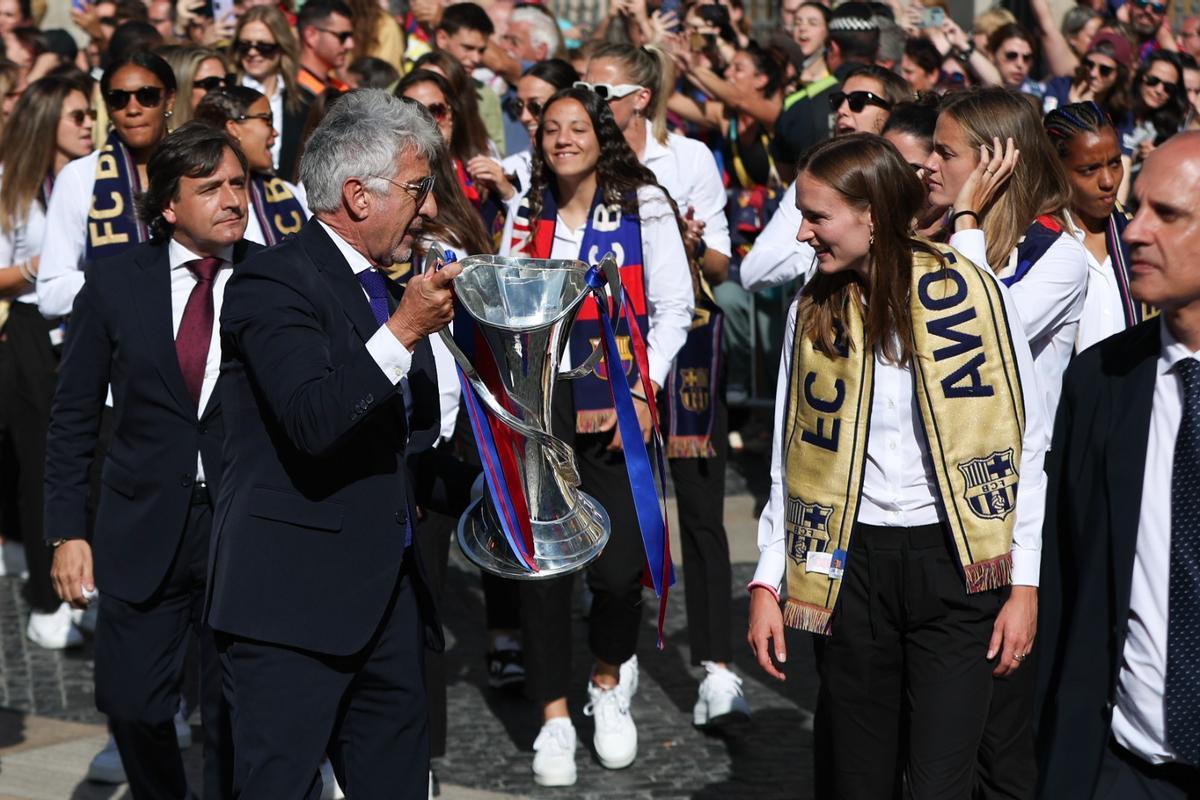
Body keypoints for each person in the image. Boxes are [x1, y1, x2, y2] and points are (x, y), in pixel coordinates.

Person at [747, 132, 1046, 799]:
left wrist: (1023, 584)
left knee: (942, 782)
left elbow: (1024, 447)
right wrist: (769, 580)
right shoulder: (811, 310)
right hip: (850, 572)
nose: (801, 233)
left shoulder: (973, 295)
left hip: (956, 567)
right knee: (859, 779)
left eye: (816, 216)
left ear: (872, 215)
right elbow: (786, 459)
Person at [206, 89, 454, 799]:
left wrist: (501, 490)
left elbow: (401, 439)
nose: (430, 207)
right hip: (289, 609)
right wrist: (404, 330)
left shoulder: (387, 286)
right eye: (417, 189)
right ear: (358, 195)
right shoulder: (272, 280)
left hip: (386, 600)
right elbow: (316, 419)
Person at [44, 121, 258, 800]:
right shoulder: (114, 285)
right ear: (169, 204)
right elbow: (73, 416)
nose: (232, 199)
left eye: (238, 183)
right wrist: (67, 531)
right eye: (211, 187)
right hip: (140, 525)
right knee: (133, 702)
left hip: (241, 525)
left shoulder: (274, 278)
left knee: (234, 710)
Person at [499, 85, 693, 786]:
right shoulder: (525, 213)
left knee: (618, 572)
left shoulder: (644, 206)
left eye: (576, 127)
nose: (561, 140)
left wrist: (644, 385)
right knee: (545, 569)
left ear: (600, 133)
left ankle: (607, 682)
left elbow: (675, 308)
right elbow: (505, 304)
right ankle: (553, 717)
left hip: (618, 406)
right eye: (550, 129)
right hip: (542, 412)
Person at [923, 87, 1087, 799]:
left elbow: (976, 343)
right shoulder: (926, 237)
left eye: (945, 152)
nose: (927, 164)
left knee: (1000, 741)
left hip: (1006, 516)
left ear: (996, 163)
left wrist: (962, 224)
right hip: (928, 518)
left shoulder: (1062, 260)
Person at [584, 40, 746, 728]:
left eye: (603, 92)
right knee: (621, 511)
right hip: (612, 356)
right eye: (583, 90)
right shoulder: (578, 158)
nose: (590, 104)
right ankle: (611, 665)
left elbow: (722, 262)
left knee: (702, 506)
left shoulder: (689, 159)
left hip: (687, 347)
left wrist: (684, 241)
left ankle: (716, 665)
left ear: (640, 97)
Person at [1036, 130, 1200, 800]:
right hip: (1122, 766)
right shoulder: (1099, 382)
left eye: (1170, 215)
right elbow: (1067, 574)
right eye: (1139, 209)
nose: (1135, 232)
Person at [0, 75, 93, 650]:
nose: (88, 124)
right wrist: (42, 265)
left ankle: (87, 584)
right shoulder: (13, 185)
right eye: (76, 115)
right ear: (46, 121)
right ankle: (47, 596)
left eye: (90, 115)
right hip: (33, 328)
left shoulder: (95, 180)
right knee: (42, 464)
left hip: (86, 327)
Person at [37, 50, 176, 319]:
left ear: (169, 98)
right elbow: (51, 294)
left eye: (146, 96)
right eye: (118, 99)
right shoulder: (79, 177)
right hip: (114, 347)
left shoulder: (199, 167)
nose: (133, 109)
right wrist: (132, 280)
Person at [1045, 101, 1154, 352]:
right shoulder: (1034, 243)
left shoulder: (1138, 238)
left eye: (1115, 163)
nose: (1108, 181)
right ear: (1057, 169)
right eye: (1089, 169)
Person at [193, 86, 310, 246]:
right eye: (266, 119)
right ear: (233, 128)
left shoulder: (288, 194)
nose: (275, 132)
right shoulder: (197, 204)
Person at [771, 2, 878, 173]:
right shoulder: (896, 95)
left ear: (832, 48)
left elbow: (785, 169)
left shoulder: (798, 103)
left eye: (812, 23)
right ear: (877, 50)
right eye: (797, 21)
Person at [396, 69, 494, 210]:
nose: (429, 120)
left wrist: (507, 193)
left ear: (450, 114)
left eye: (436, 110)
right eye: (417, 113)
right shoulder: (401, 185)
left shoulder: (479, 176)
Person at [230, 5, 305, 179]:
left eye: (264, 46)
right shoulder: (225, 92)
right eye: (244, 45)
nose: (252, 52)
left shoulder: (303, 101)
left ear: (281, 47)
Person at [434, 2, 505, 154]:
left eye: (481, 50)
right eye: (468, 48)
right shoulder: (407, 87)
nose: (476, 58)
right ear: (442, 38)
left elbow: (497, 154)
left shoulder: (486, 96)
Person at [1130, 52, 1187, 168]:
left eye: (1169, 87)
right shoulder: (1115, 111)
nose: (1159, 90)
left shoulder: (1169, 132)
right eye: (1153, 80)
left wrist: (1158, 158)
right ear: (1141, 76)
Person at [158, 45, 228, 128]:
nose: (224, 89)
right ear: (183, 87)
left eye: (228, 80)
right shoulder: (161, 138)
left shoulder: (234, 133)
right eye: (211, 83)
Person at [296, 0, 354, 100]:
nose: (350, 45)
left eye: (350, 36)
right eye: (342, 36)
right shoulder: (292, 94)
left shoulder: (341, 89)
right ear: (311, 35)